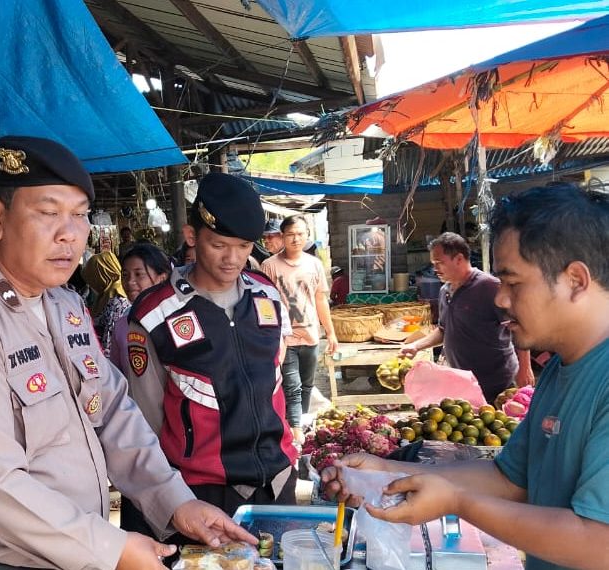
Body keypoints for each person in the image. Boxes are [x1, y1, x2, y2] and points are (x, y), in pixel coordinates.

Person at [0, 136, 255, 570]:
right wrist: (112, 549)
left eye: (80, 216)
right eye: (49, 213)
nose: (68, 234)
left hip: (73, 553)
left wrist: (174, 502)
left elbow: (112, 412)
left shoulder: (66, 306)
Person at [322, 183, 609, 570]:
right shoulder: (561, 368)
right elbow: (509, 478)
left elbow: (598, 542)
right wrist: (391, 471)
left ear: (575, 280)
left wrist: (457, 501)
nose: (502, 299)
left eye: (513, 282)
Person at [124, 172, 298, 525]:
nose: (232, 259)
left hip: (278, 482)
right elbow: (146, 421)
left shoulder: (267, 296)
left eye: (244, 247)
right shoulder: (153, 315)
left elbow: (275, 380)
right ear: (192, 236)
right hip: (202, 495)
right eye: (219, 244)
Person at [399, 232, 533, 402]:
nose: (435, 269)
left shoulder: (490, 287)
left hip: (497, 383)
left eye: (440, 263)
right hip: (462, 383)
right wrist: (416, 346)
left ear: (459, 259)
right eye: (433, 263)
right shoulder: (445, 291)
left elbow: (519, 325)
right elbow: (443, 330)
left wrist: (525, 368)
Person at [261, 215, 338, 431]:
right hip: (285, 338)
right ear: (283, 237)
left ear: (307, 236)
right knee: (292, 387)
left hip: (311, 335)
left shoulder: (314, 264)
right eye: (291, 234)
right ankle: (296, 431)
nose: (296, 239)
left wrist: (330, 333)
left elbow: (320, 299)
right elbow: (263, 304)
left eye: (300, 234)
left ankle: (298, 427)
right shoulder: (269, 266)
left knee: (306, 386)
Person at [109, 243, 172, 402]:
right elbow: (117, 375)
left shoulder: (176, 321)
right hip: (137, 418)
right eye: (125, 275)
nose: (130, 282)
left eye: (139, 274)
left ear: (161, 278)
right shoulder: (123, 325)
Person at [81, 250, 131, 357]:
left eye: (93, 279)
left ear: (101, 276)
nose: (92, 284)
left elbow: (109, 343)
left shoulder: (116, 299)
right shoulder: (106, 295)